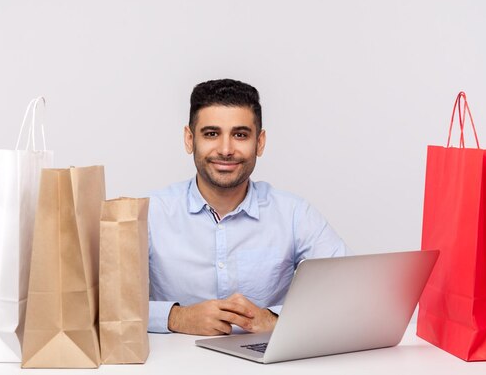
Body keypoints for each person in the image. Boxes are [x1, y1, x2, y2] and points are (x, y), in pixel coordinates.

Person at [148, 79, 348, 335]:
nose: (226, 150)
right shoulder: (151, 213)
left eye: (240, 135)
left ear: (260, 142)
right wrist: (177, 317)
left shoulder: (294, 214)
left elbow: (349, 294)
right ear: (189, 139)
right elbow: (104, 305)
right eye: (211, 134)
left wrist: (276, 321)